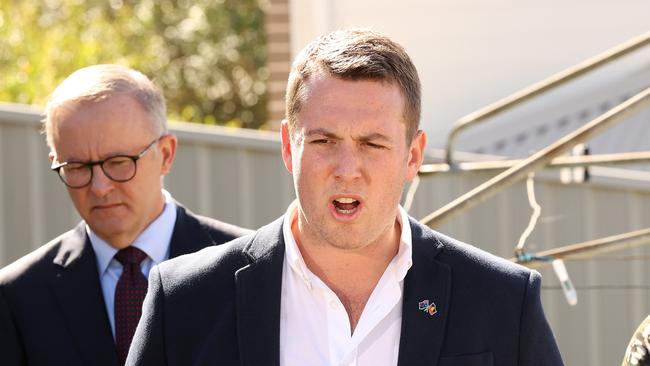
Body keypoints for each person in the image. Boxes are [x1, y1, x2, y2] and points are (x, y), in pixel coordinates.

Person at [127, 29, 564, 365]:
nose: (347, 168)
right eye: (324, 141)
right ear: (287, 146)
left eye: (372, 144)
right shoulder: (185, 301)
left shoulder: (503, 302)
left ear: (413, 156)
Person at [0, 64, 251, 366]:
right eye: (77, 167)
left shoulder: (248, 269)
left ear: (166, 154)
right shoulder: (19, 295)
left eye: (118, 162)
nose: (100, 187)